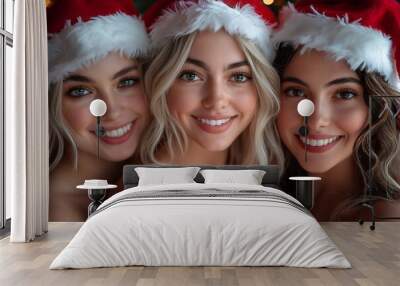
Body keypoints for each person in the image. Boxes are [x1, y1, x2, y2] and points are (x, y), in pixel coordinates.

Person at [273, 0, 400, 220]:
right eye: (295, 92)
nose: (315, 120)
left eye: (344, 94)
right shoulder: (271, 201)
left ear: (375, 106)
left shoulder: (384, 218)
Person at [140, 0, 284, 167]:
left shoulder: (269, 177)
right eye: (191, 76)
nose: (216, 100)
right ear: (164, 83)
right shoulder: (141, 191)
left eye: (238, 77)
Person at [47, 0, 151, 221]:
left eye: (126, 82)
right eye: (81, 91)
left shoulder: (155, 167)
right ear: (50, 102)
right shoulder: (54, 213)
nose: (111, 110)